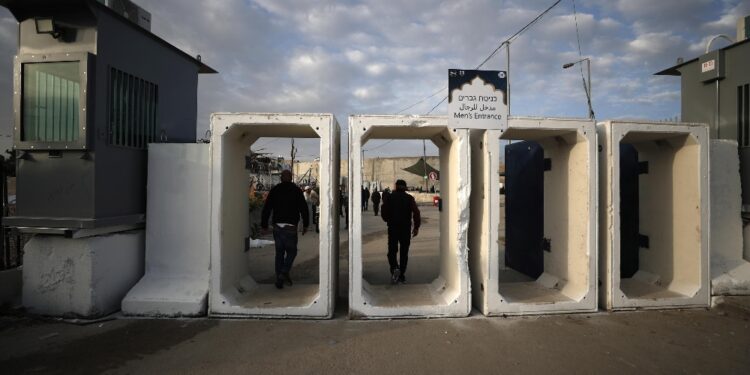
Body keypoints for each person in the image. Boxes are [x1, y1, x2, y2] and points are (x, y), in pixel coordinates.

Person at [261, 170, 309, 289]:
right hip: (291, 228)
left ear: (281, 178)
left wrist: (264, 225)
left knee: (279, 253)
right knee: (292, 252)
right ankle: (284, 272)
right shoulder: (297, 190)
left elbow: (267, 208)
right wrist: (306, 225)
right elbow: (304, 208)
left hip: (277, 227)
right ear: (291, 178)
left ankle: (280, 279)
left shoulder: (275, 190)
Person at [380, 179, 421, 284]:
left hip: (393, 228)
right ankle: (402, 275)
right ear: (405, 187)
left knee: (392, 251)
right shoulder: (409, 198)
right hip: (405, 229)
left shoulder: (389, 198)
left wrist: (388, 219)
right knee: (404, 252)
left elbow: (383, 211)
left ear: (396, 186)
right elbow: (416, 212)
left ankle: (394, 269)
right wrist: (416, 227)